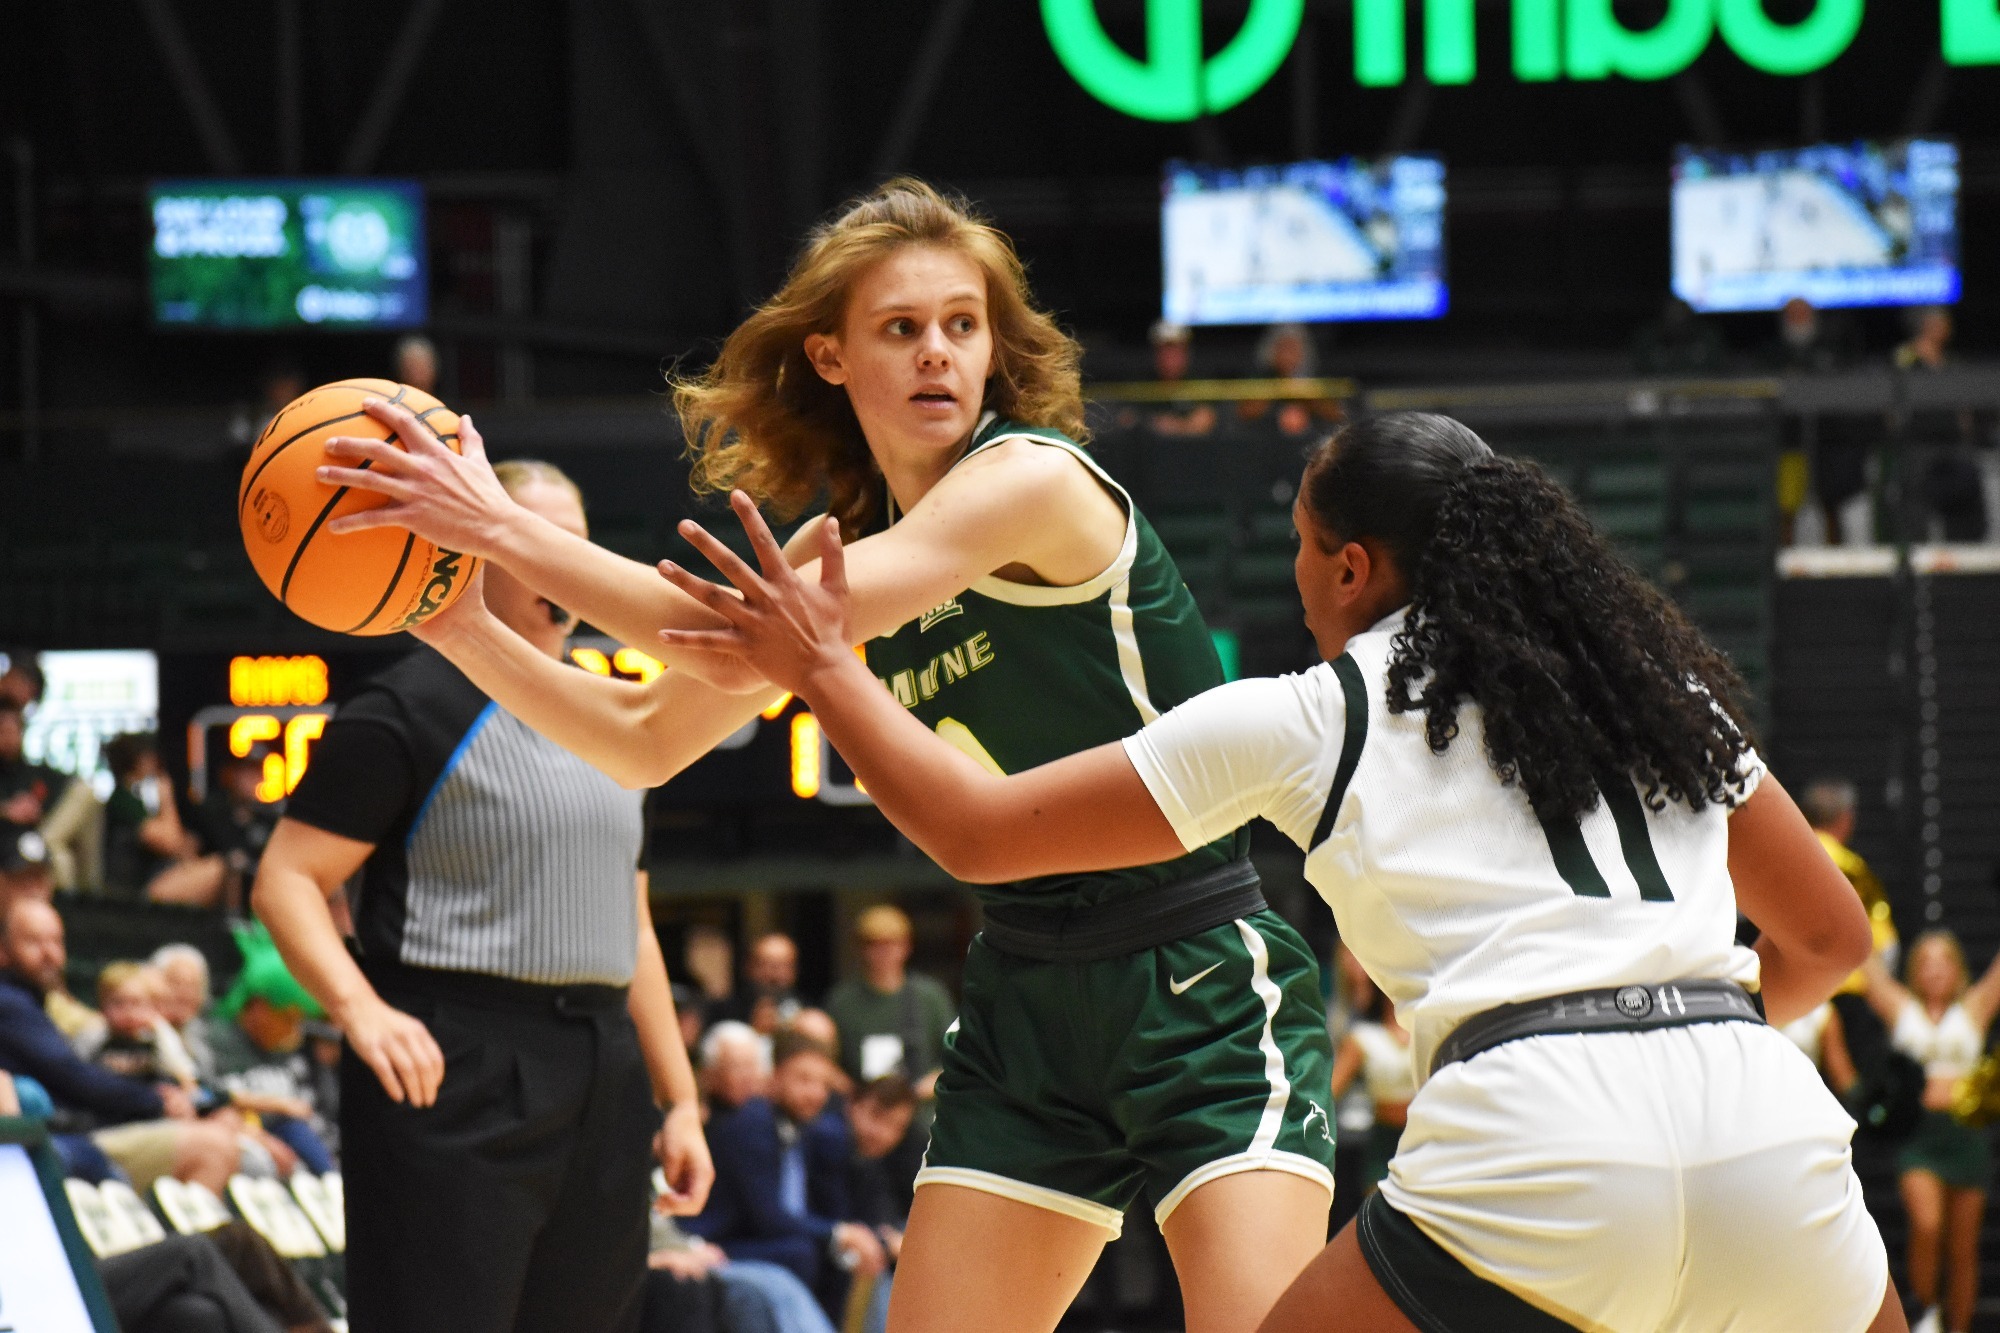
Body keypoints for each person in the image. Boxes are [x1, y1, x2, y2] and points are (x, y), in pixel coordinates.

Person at [317, 177, 1340, 1333]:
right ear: (830, 356)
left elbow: (730, 631)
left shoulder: (1028, 481)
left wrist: (497, 526)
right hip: (1025, 994)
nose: (936, 353)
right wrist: (455, 623)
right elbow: (644, 741)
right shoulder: (844, 549)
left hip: (1192, 971)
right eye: (899, 329)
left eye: (962, 324)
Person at [657, 409, 1902, 1332]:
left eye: (1308, 548)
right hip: (1755, 1107)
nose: (1301, 577)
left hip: (1535, 1120)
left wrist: (825, 669)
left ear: (1348, 566)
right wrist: (1682, 1045)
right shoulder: (1653, 688)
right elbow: (1832, 943)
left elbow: (980, 833)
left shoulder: (1313, 713)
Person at [251, 458, 716, 1333]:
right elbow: (285, 878)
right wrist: (361, 1008)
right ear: (468, 550)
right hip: (456, 1058)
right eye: (534, 540)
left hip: (602, 1069)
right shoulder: (402, 708)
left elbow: (635, 921)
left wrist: (681, 1097)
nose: (560, 562)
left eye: (573, 543)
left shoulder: (623, 713)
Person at [0, 898, 239, 1192]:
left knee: (226, 1138)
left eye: (56, 941)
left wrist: (194, 1103)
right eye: (34, 942)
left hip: (88, 1125)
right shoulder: (10, 1002)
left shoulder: (39, 1000)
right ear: (3, 951)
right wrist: (158, 1101)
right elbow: (74, 1078)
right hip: (70, 1134)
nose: (50, 954)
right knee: (213, 1147)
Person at [1853, 934, 2000, 1333]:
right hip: (1919, 1137)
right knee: (1927, 1224)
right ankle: (1926, 1318)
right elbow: (1865, 962)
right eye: (1927, 961)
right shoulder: (1902, 1007)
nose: (1936, 968)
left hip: (1966, 1136)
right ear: (1915, 969)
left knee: (1963, 1246)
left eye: (1944, 961)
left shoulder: (1974, 1007)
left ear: (1958, 969)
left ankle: (1960, 1327)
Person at [689, 1031, 885, 1310]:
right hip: (716, 1241)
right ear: (774, 1077)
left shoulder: (798, 1130)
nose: (816, 1093)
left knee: (843, 1260)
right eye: (803, 1080)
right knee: (803, 1253)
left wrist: (852, 1235)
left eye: (823, 1084)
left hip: (757, 1238)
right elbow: (768, 1217)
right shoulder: (752, 1124)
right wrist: (839, 1234)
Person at [205, 931, 337, 1176]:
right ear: (258, 1005)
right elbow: (207, 1099)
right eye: (287, 1017)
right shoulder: (214, 1042)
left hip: (290, 1139)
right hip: (236, 1140)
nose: (294, 1029)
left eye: (300, 1019)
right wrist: (261, 1135)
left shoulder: (291, 1052)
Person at [822, 907, 952, 1094]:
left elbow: (958, 1056)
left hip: (922, 1110)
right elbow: (823, 1062)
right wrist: (855, 1094)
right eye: (874, 945)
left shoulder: (931, 997)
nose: (884, 953)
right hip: (860, 1109)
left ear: (906, 947)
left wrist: (926, 1087)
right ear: (860, 949)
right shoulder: (841, 1002)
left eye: (892, 944)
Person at [102, 733, 228, 908]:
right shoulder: (123, 799)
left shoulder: (144, 799)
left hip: (161, 875)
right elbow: (171, 842)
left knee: (223, 866)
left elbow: (186, 849)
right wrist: (167, 799)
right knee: (218, 869)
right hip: (135, 892)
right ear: (140, 760)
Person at [1326, 975, 1412, 1198]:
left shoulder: (1430, 1032)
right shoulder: (1363, 1037)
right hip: (1383, 1140)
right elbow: (1329, 1092)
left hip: (1424, 1137)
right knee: (1380, 1215)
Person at [713, 932, 806, 1034]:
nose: (776, 976)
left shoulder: (805, 1009)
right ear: (749, 967)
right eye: (769, 966)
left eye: (784, 966)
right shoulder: (723, 1012)